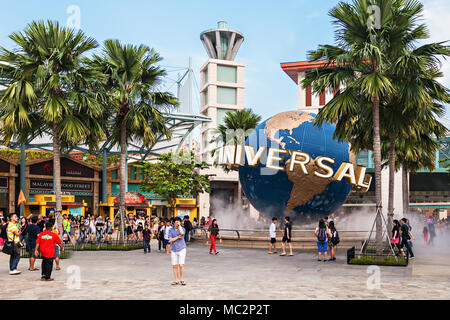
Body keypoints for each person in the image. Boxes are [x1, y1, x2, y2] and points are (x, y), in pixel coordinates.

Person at [168, 217, 186, 285]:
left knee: (181, 265)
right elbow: (170, 240)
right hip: (174, 249)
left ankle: (182, 279)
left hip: (182, 248)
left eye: (178, 222)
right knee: (174, 266)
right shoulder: (170, 230)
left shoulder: (182, 228)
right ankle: (176, 280)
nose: (177, 223)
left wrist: (180, 226)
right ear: (174, 222)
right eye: (176, 222)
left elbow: (182, 233)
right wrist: (177, 237)